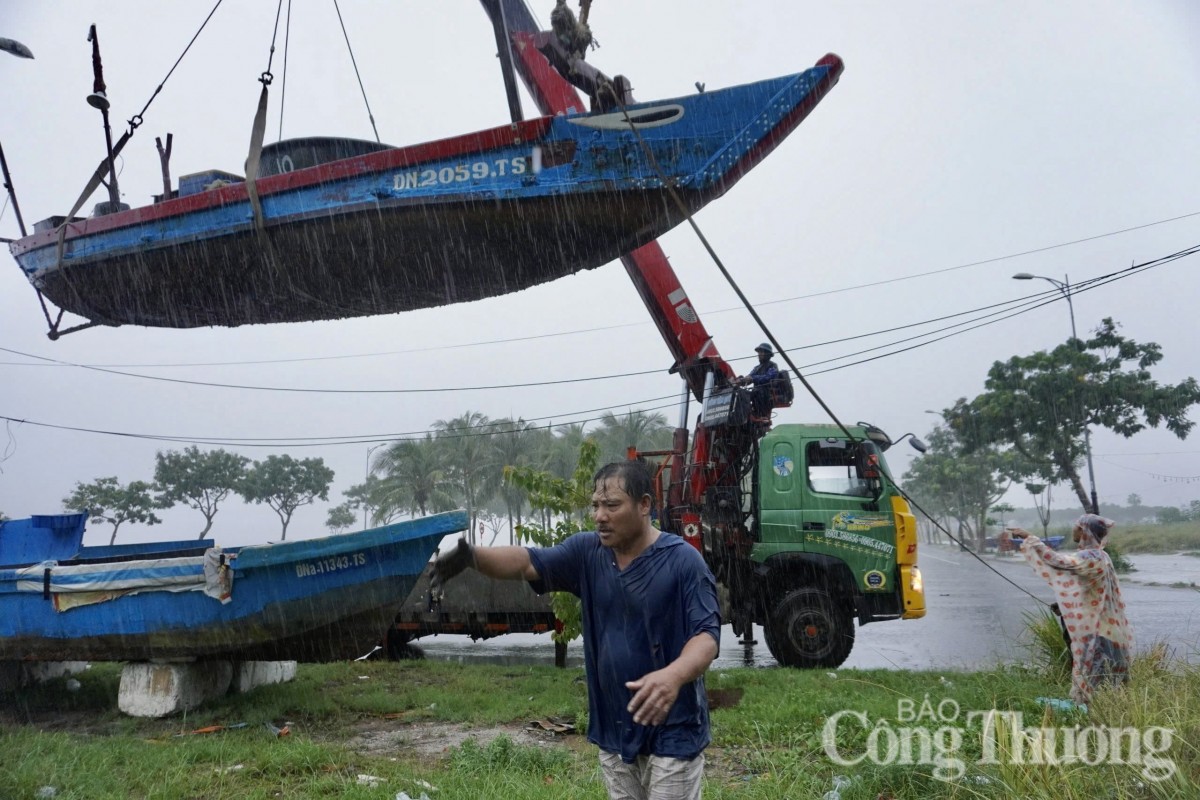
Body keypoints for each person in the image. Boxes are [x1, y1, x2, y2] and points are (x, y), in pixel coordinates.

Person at [430, 460, 721, 800]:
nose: (600, 515)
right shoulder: (588, 553)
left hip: (674, 730)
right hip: (614, 729)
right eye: (596, 505)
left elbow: (707, 637)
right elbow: (527, 562)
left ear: (644, 505)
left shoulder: (683, 562)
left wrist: (673, 676)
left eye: (612, 505)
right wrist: (473, 557)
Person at [1017, 513, 1133, 706]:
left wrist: (1029, 538)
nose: (1073, 529)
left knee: (1092, 663)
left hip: (1094, 626)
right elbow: (1092, 590)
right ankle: (1105, 703)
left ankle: (1090, 705)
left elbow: (1055, 561)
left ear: (1083, 530)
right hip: (1102, 621)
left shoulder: (1090, 556)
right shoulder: (1101, 556)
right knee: (1098, 664)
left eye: (1076, 526)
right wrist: (1064, 605)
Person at [735, 342, 779, 419]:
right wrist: (741, 381)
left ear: (768, 354)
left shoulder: (772, 365)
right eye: (759, 352)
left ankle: (762, 414)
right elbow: (749, 377)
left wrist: (753, 378)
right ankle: (741, 415)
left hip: (767, 392)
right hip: (757, 391)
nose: (759, 354)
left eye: (761, 352)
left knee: (758, 392)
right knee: (742, 394)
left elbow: (768, 377)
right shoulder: (757, 368)